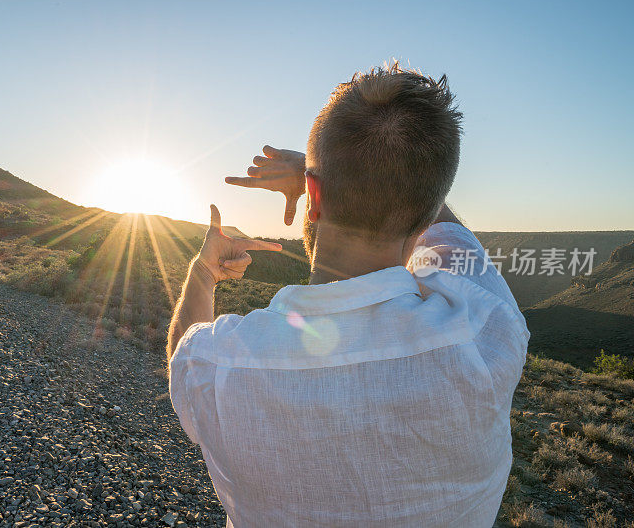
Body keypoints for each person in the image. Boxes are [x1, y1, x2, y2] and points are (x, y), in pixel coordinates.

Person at [166, 63, 529, 527]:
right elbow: (445, 227)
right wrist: (319, 172)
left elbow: (183, 350)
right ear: (426, 211)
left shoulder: (224, 363)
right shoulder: (486, 330)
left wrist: (203, 273)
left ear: (313, 196)